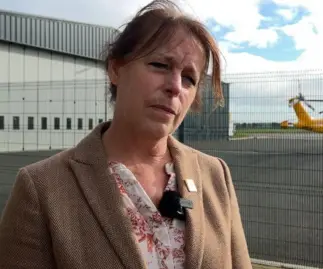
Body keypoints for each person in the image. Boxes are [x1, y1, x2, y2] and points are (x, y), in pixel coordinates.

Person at [0, 1, 252, 268]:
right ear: (116, 69)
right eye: (159, 65)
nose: (176, 87)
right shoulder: (42, 188)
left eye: (189, 78)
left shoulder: (215, 174)